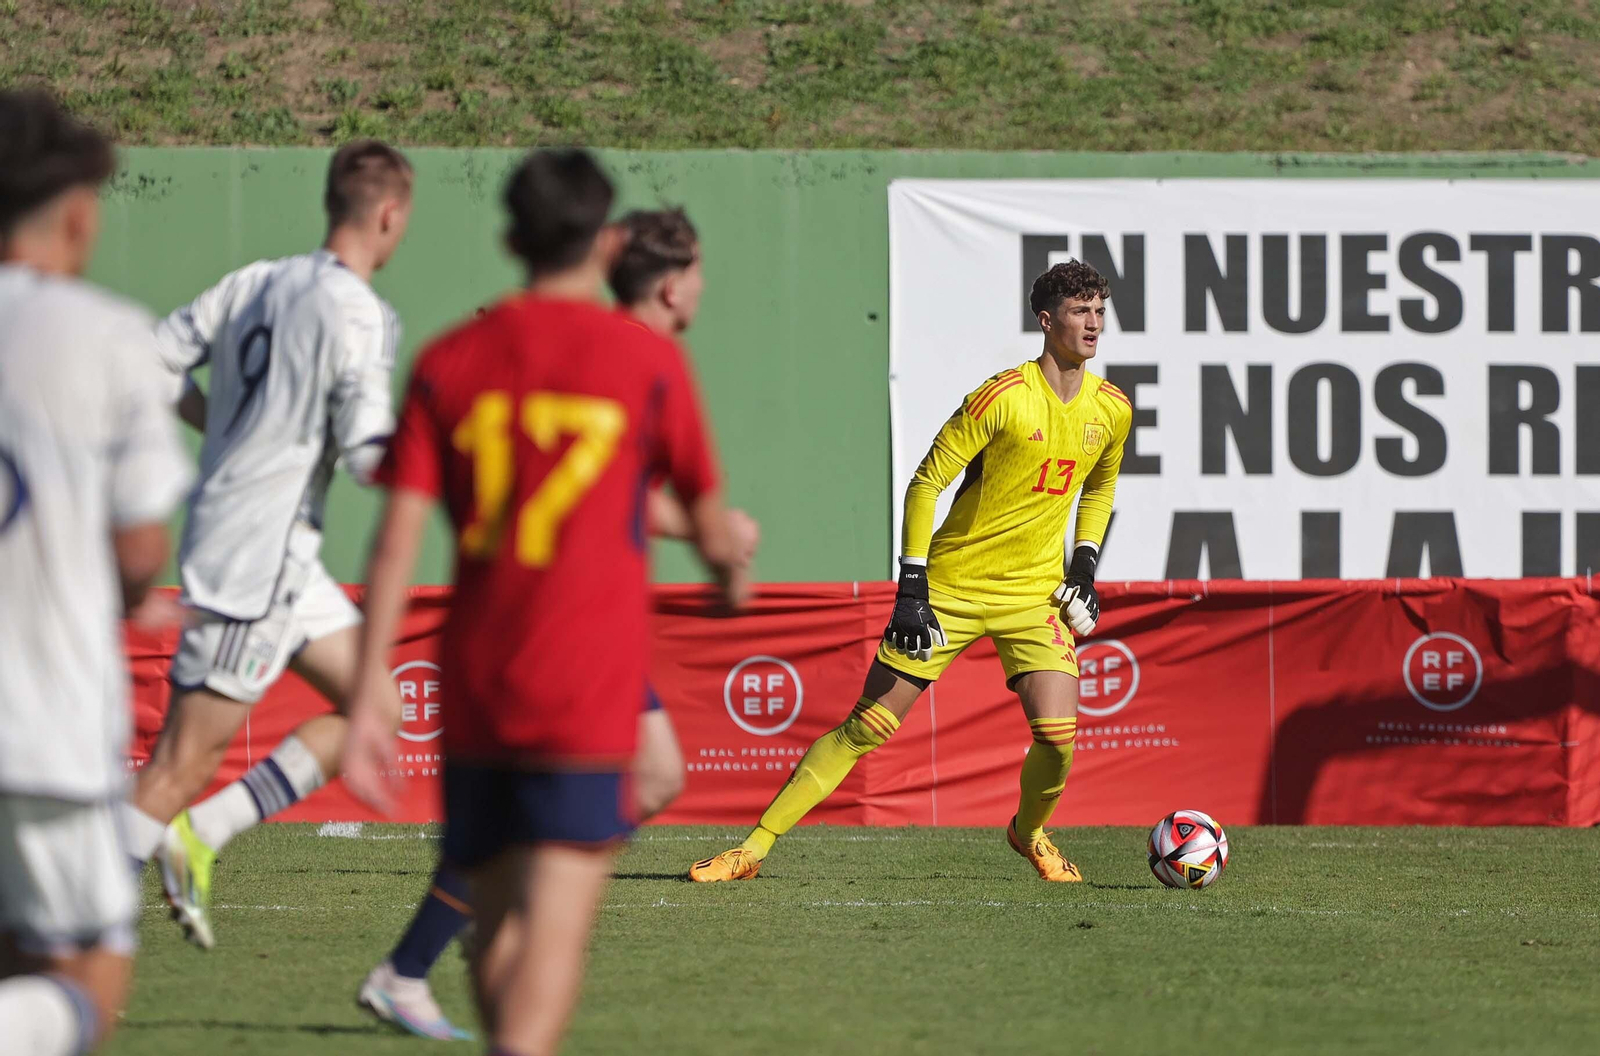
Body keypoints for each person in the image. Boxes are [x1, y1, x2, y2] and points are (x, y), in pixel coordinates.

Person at [341, 150, 746, 1056]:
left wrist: (371, 680)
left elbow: (396, 538)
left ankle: (414, 976)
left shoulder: (450, 358)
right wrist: (730, 577)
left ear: (510, 238)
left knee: (499, 926)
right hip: (582, 681)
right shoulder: (645, 362)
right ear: (607, 242)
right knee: (551, 930)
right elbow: (714, 528)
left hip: (477, 681)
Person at [689, 259, 1130, 884]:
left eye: (1100, 309)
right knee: (867, 726)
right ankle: (751, 849)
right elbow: (926, 483)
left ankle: (1028, 833)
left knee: (1058, 736)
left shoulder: (1111, 408)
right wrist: (912, 587)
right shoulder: (1001, 397)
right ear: (1046, 318)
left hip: (1034, 595)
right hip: (949, 589)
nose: (1094, 323)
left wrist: (1084, 565)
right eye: (1081, 310)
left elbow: (1101, 488)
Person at [119, 139, 414, 949]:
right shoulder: (358, 311)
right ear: (389, 215)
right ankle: (58, 935)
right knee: (175, 768)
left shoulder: (255, 280)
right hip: (256, 561)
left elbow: (155, 362)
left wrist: (215, 421)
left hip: (280, 553)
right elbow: (366, 458)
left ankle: (202, 834)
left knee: (377, 706)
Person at [0, 90, 193, 1055]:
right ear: (77, 215)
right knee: (86, 979)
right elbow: (138, 551)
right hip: (45, 726)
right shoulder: (108, 336)